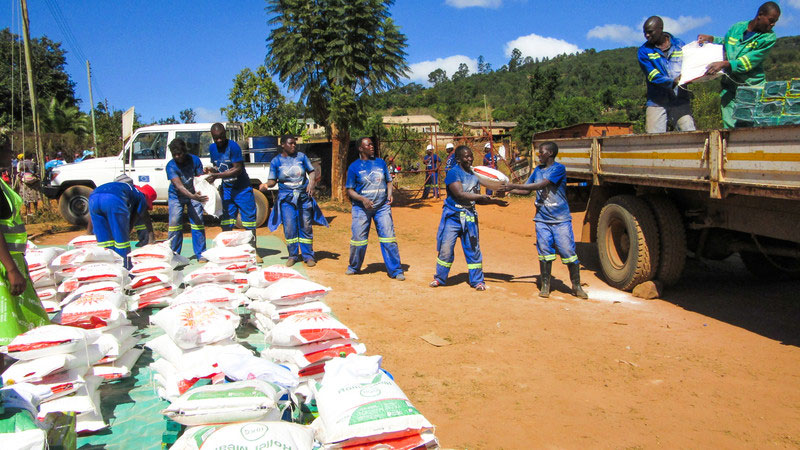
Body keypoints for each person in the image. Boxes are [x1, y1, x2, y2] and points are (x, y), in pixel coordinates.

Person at [503, 141, 588, 299]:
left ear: (549, 153)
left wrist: (510, 185)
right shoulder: (537, 170)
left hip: (560, 219)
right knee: (544, 253)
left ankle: (576, 286)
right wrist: (507, 191)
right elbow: (526, 190)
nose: (538, 155)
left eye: (541, 152)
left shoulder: (558, 169)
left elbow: (540, 185)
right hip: (542, 219)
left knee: (568, 252)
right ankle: (545, 285)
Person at [430, 145, 508, 291]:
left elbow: (477, 199)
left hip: (470, 217)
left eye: (471, 156)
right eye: (466, 156)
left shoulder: (475, 176)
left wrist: (494, 201)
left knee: (473, 249)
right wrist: (481, 196)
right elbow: (460, 194)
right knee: (446, 249)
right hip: (452, 217)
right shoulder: (453, 173)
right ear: (458, 159)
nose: (470, 159)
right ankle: (440, 278)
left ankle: (477, 281)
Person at [699, 2, 780, 128]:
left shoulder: (768, 38)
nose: (773, 24)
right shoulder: (737, 28)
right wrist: (712, 39)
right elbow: (725, 44)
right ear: (760, 15)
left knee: (751, 127)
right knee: (730, 127)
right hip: (730, 89)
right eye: (771, 20)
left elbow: (749, 61)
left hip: (752, 88)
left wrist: (726, 64)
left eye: (775, 21)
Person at [0, 137, 49, 347]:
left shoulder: (2, 183)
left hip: (12, 259)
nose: (11, 155)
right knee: (8, 330)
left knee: (22, 329)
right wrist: (11, 269)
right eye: (6, 151)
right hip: (5, 264)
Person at [345, 137, 404, 280]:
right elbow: (350, 190)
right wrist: (363, 199)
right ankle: (354, 266)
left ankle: (395, 270)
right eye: (368, 145)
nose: (372, 146)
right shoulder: (354, 167)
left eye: (372, 144)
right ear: (360, 148)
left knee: (388, 238)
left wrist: (390, 195)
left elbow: (388, 181)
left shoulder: (380, 163)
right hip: (361, 209)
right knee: (358, 239)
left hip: (382, 207)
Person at [263, 135, 326, 267]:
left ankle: (308, 256)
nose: (294, 146)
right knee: (290, 227)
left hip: (304, 198)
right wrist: (267, 185)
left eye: (294, 144)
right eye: (291, 144)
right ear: (283, 145)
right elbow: (273, 180)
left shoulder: (301, 157)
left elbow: (312, 172)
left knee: (306, 226)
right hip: (287, 200)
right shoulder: (276, 161)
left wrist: (312, 183)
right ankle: (293, 255)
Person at [205, 123, 261, 262]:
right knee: (227, 220)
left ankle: (253, 251)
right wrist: (211, 171)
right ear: (212, 137)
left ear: (226, 135)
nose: (219, 140)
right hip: (227, 188)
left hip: (242, 188)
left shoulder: (233, 146)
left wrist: (217, 176)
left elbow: (237, 169)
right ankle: (227, 251)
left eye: (221, 137)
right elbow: (218, 167)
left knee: (249, 221)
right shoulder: (212, 148)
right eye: (216, 138)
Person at [638, 16, 696, 134]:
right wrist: (672, 82)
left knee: (689, 133)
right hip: (657, 101)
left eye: (650, 32)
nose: (647, 36)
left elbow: (689, 64)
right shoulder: (644, 51)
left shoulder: (679, 45)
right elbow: (653, 76)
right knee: (654, 138)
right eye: (645, 33)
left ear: (660, 29)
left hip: (679, 99)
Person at [88, 181, 156, 269]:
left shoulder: (127, 188)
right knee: (121, 242)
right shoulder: (142, 196)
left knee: (104, 243)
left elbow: (92, 217)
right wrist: (125, 232)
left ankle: (106, 268)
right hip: (113, 200)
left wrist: (89, 232)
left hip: (93, 198)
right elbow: (135, 217)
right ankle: (125, 269)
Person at [166, 138, 209, 261]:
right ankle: (173, 254)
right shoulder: (171, 166)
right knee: (175, 223)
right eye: (175, 155)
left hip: (194, 193)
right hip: (176, 196)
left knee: (197, 221)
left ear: (185, 151)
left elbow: (200, 178)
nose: (178, 156)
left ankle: (201, 253)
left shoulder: (194, 160)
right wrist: (192, 196)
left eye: (180, 153)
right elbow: (179, 186)